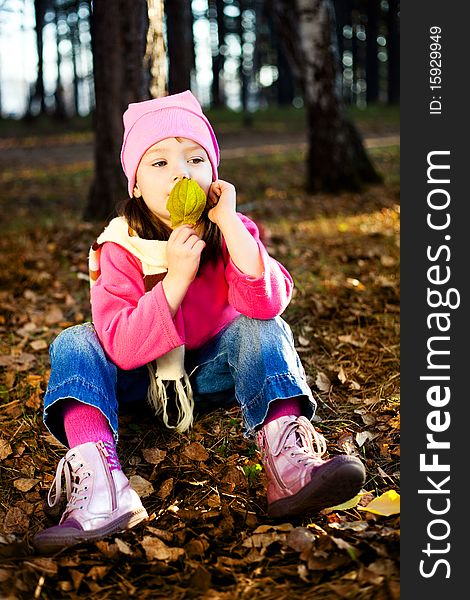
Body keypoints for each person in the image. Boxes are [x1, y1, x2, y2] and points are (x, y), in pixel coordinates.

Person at [34, 91, 365, 553]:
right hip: (134, 384)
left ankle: (288, 463)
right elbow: (123, 346)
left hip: (211, 376)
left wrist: (230, 226)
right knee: (75, 341)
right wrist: (175, 279)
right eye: (159, 163)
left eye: (194, 158)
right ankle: (103, 487)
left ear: (213, 173)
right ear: (134, 184)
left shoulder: (231, 229)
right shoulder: (118, 246)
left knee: (259, 326)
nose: (180, 172)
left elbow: (267, 304)